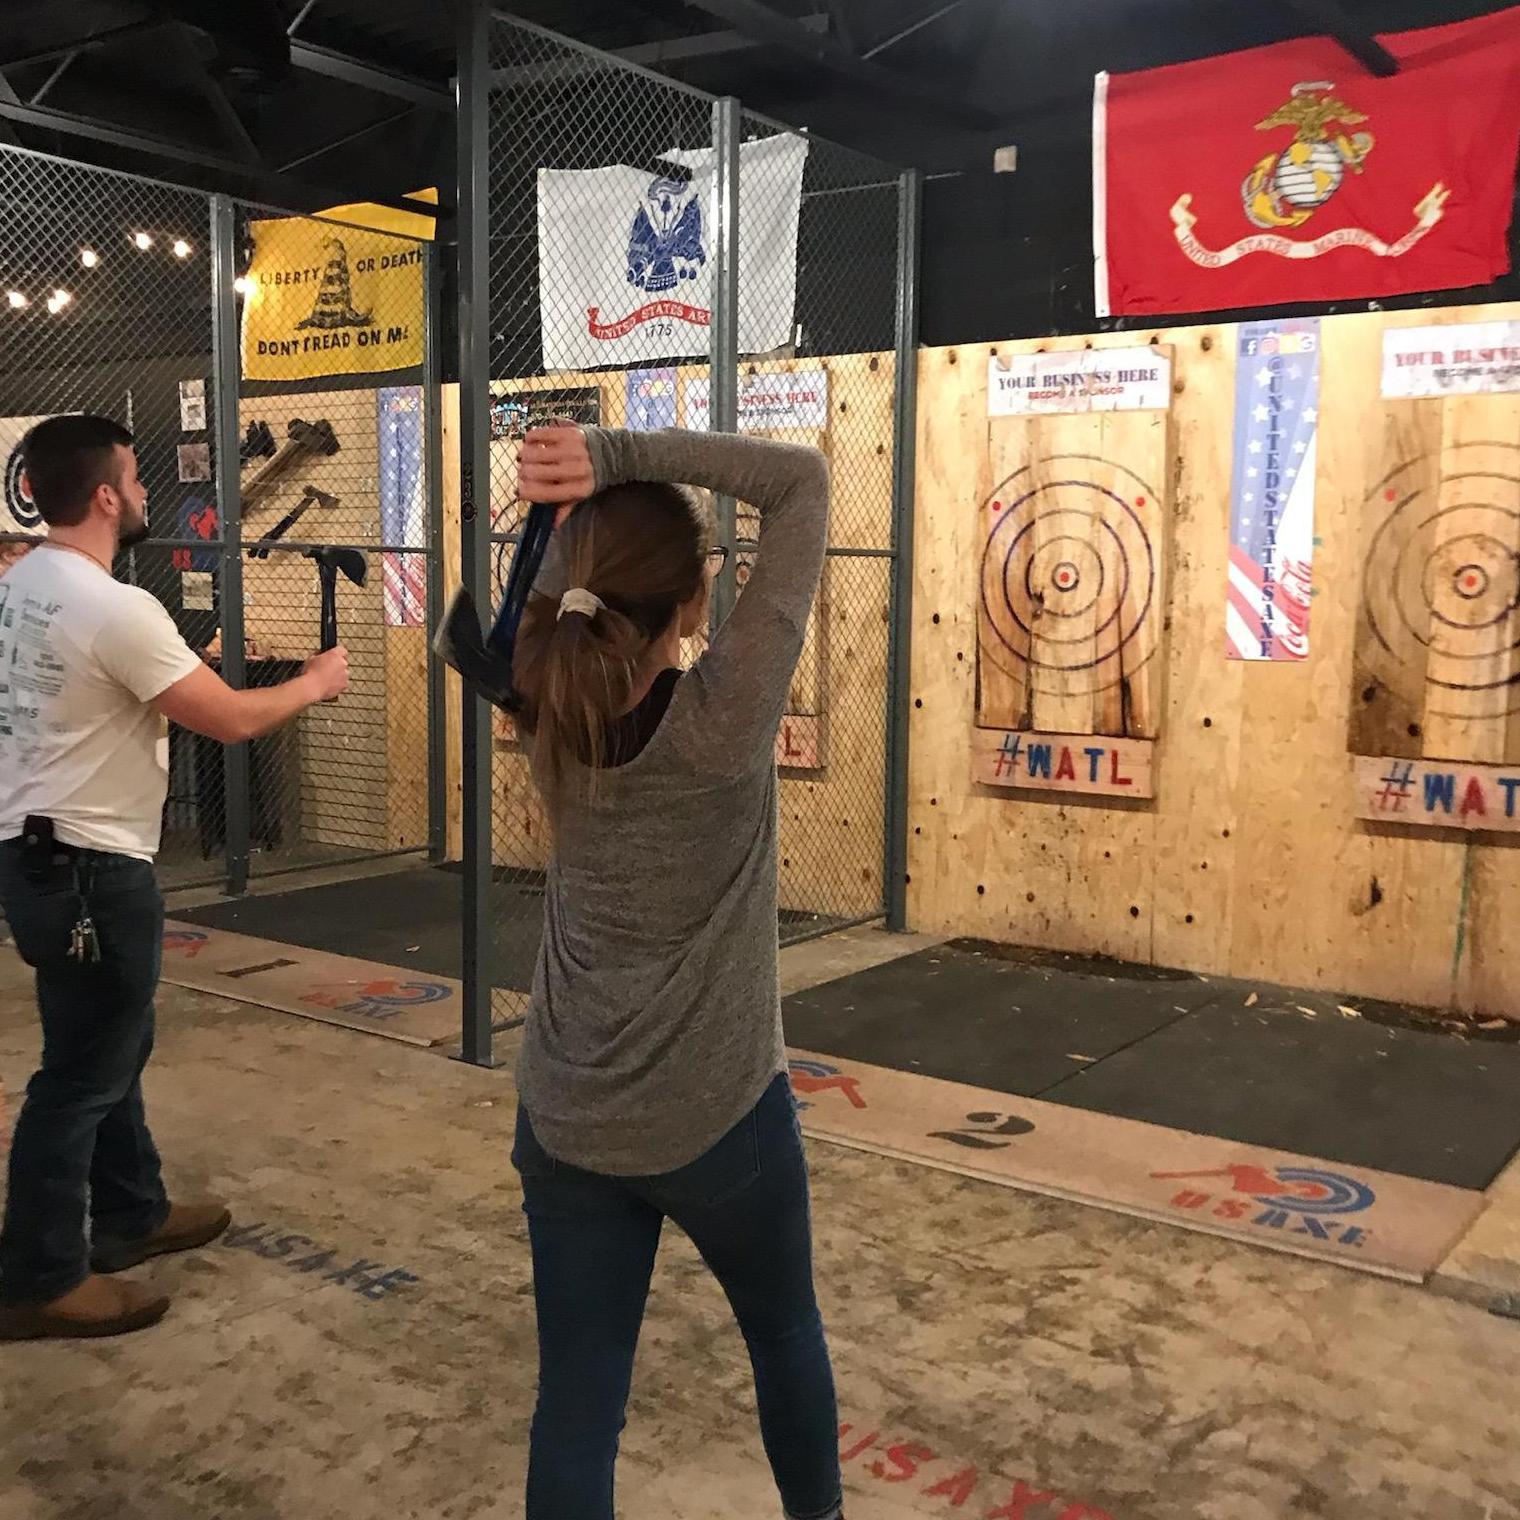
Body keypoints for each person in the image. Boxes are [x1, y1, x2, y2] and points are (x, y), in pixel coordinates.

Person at [508, 422, 843, 1520]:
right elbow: (797, 483)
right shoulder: (719, 717)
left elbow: (545, 607)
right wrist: (609, 455)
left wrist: (569, 507)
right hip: (718, 1123)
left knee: (576, 1407)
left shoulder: (537, 697)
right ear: (692, 606)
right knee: (784, 1333)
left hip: (565, 1116)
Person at [0, 414, 349, 1341]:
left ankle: (131, 1212)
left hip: (40, 858)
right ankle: (39, 1277)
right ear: (108, 495)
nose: (149, 492)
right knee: (80, 1074)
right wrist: (314, 682)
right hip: (88, 867)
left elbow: (79, 684)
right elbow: (231, 721)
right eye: (138, 477)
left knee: (111, 1040)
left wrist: (169, 672)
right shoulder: (116, 607)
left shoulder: (25, 581)